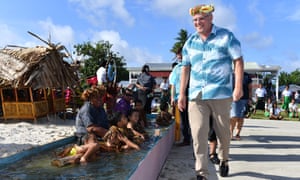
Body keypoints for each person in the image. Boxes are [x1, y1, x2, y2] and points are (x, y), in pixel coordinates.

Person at [177, 4, 244, 179]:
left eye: (201, 19)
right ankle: (202, 173)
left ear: (211, 19)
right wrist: (182, 94)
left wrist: (238, 87)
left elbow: (238, 61)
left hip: (221, 94)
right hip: (196, 96)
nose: (198, 23)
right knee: (198, 134)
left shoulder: (226, 36)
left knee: (223, 134)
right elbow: (185, 68)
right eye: (195, 20)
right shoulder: (190, 42)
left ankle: (224, 159)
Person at [169, 48, 191, 146]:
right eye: (178, 54)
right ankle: (186, 138)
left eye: (180, 54)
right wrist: (172, 97)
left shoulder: (192, 65)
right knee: (183, 119)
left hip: (191, 95)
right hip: (179, 96)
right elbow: (173, 84)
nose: (179, 56)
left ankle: (195, 138)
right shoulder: (176, 68)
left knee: (193, 119)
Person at [230, 72, 252, 140]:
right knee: (234, 116)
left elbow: (250, 88)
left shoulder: (246, 76)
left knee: (241, 117)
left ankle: (238, 133)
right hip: (234, 98)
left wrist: (250, 99)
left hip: (244, 99)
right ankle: (230, 133)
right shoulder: (231, 75)